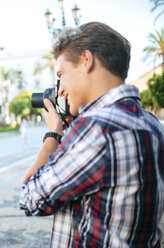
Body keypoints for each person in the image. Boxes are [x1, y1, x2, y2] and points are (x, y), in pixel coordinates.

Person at [19, 22, 164, 247]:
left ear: (86, 60)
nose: (60, 89)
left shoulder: (97, 128)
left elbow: (31, 198)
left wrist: (54, 132)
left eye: (61, 74)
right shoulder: (152, 124)